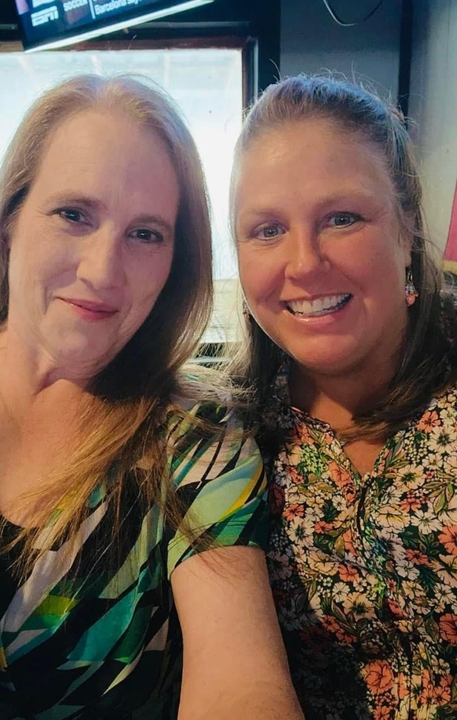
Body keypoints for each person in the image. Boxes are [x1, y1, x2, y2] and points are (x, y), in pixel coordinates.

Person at [0, 74, 304, 720]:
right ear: (9, 225)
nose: (102, 270)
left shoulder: (198, 443)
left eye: (145, 234)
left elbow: (240, 686)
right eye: (73, 214)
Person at [230, 74, 457, 719]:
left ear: (407, 227)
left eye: (342, 218)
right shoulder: (225, 438)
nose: (303, 262)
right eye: (267, 229)